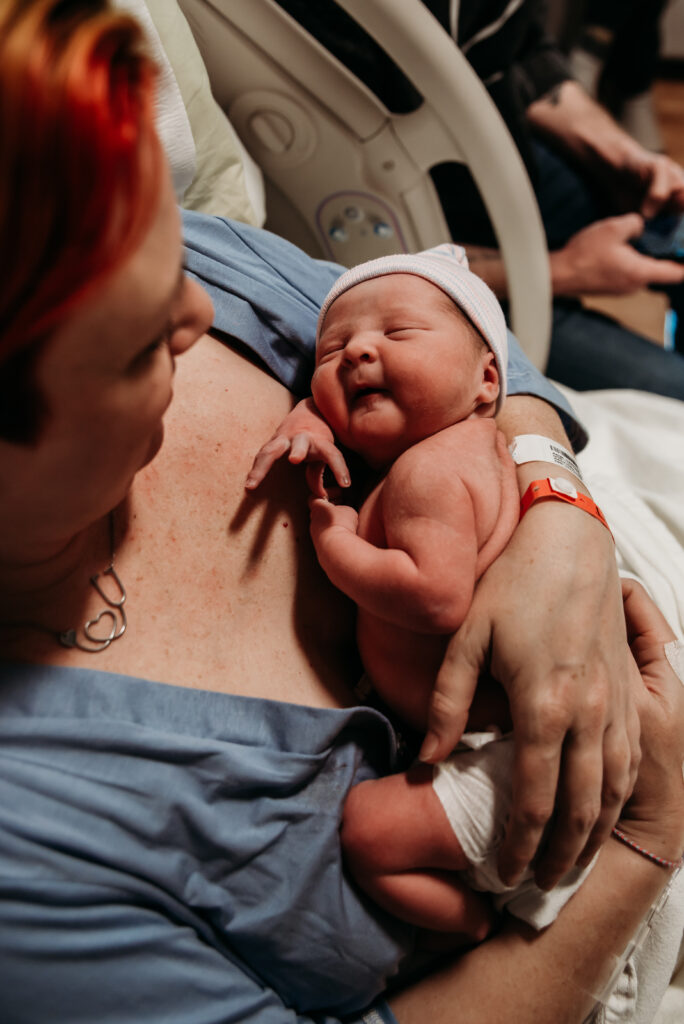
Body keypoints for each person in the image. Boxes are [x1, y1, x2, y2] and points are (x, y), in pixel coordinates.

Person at [0, 2, 681, 1023]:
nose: (201, 312)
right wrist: (647, 836)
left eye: (180, 252)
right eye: (146, 343)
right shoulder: (38, 862)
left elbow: (475, 348)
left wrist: (552, 503)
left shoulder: (174, 255)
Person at [246, 242, 608, 945]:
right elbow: (352, 419)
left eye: (399, 334)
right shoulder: (462, 447)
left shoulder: (429, 476)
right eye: (332, 352)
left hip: (508, 752)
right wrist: (309, 417)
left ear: (487, 380)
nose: (356, 354)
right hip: (490, 735)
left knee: (370, 834)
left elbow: (433, 596)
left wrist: (336, 546)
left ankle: (471, 933)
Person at [275, 0, 684, 395]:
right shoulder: (318, 32)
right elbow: (347, 256)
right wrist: (565, 271)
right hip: (425, 259)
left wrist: (621, 154)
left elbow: (523, 54)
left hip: (506, 171)